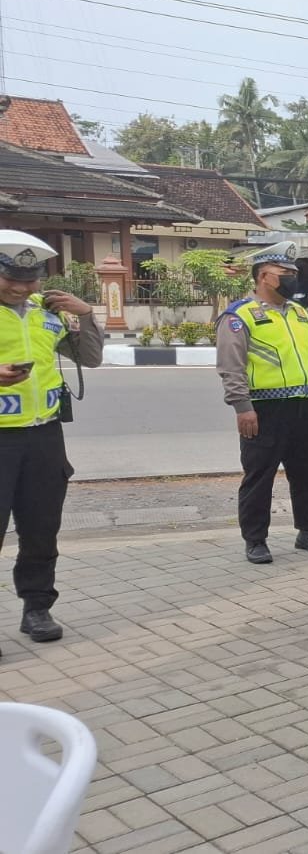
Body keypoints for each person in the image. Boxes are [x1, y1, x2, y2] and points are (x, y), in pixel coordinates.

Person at [0, 231, 103, 649]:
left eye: (30, 279)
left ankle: (37, 608)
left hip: (44, 437)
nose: (22, 287)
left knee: (42, 529)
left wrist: (88, 314)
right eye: (11, 278)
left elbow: (91, 358)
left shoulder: (50, 313)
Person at [215, 241, 308, 565]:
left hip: (302, 407)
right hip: (262, 410)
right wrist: (242, 407)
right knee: (259, 477)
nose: (294, 278)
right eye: (287, 273)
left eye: (295, 272)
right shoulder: (238, 316)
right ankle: (255, 540)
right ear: (265, 276)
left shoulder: (298, 314)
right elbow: (230, 366)